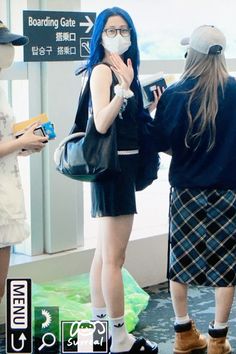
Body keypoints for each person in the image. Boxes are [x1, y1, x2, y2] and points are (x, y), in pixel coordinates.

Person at [152, 25, 235, 354]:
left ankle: (183, 333)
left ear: (193, 56)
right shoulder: (234, 90)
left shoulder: (175, 93)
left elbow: (163, 144)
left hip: (186, 192)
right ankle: (218, 339)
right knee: (226, 267)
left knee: (180, 262)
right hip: (229, 192)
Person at [81, 7, 159, 354]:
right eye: (111, 29)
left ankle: (102, 330)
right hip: (112, 171)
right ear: (99, 35)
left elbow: (125, 122)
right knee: (115, 258)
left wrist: (141, 101)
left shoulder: (125, 68)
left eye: (124, 29)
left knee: (104, 255)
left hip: (122, 169)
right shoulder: (102, 71)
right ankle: (118, 337)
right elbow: (100, 124)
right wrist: (121, 90)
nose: (118, 35)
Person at [0, 21, 48, 307]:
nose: (8, 51)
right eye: (3, 44)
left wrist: (23, 142)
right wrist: (19, 142)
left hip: (7, 194)